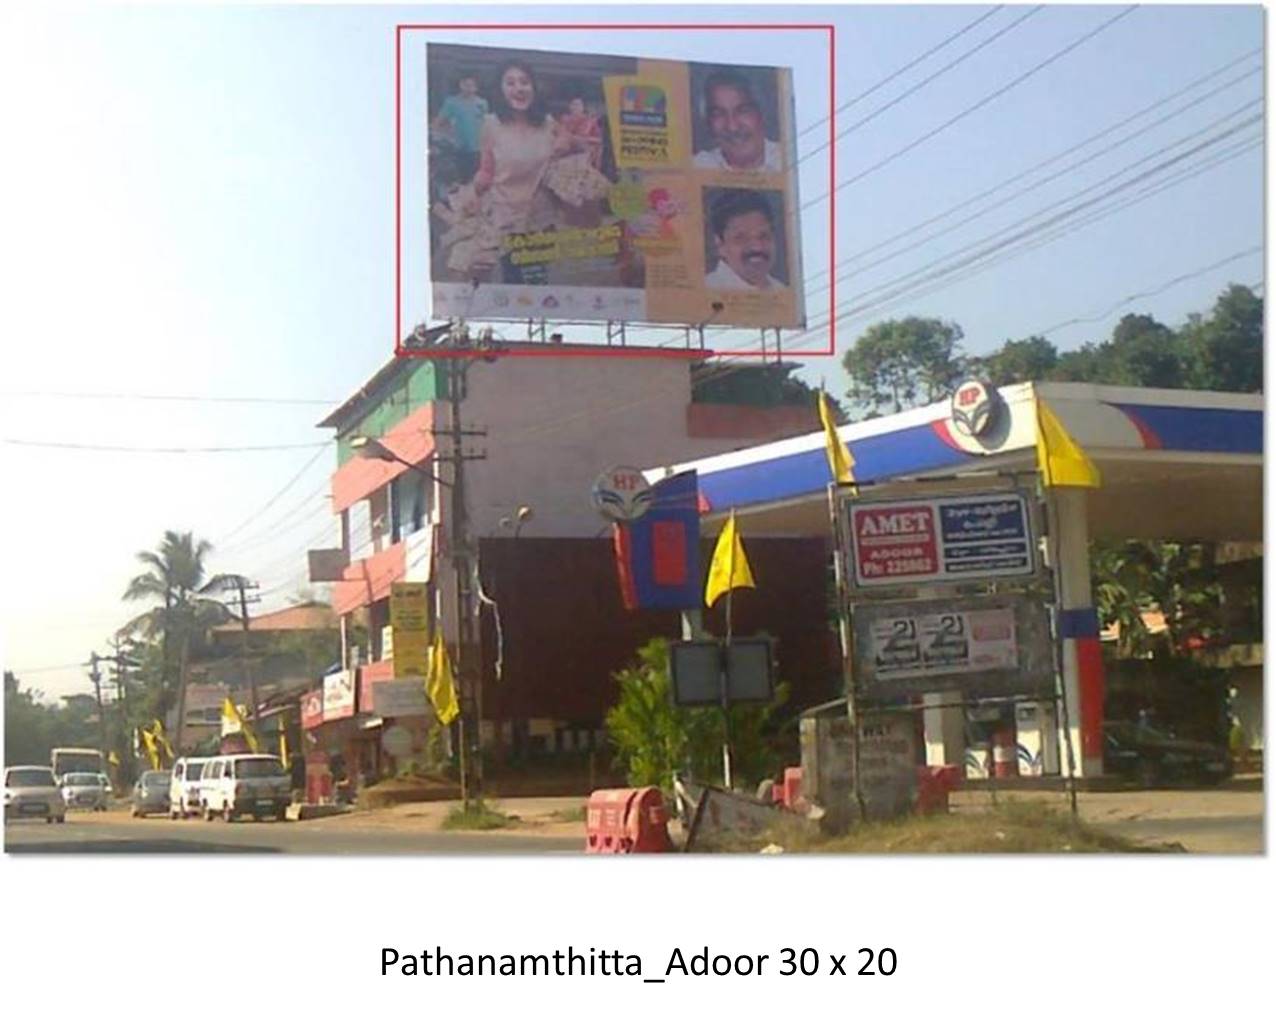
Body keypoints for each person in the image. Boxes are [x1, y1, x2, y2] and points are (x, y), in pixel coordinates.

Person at [693, 69, 783, 173]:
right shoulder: (698, 166)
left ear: (761, 114)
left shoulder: (786, 160)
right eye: (719, 114)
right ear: (708, 122)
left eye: (742, 111)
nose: (732, 127)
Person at [705, 189, 787, 290]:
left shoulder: (781, 290)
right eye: (741, 238)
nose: (756, 247)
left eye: (764, 236)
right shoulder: (707, 289)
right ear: (720, 245)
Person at [432, 74, 488, 179]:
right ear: (460, 85)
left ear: (476, 87)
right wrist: (448, 136)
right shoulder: (451, 102)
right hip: (459, 148)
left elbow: (486, 124)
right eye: (465, 85)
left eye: (471, 85)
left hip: (478, 149)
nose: (468, 88)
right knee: (463, 179)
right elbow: (439, 122)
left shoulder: (482, 103)